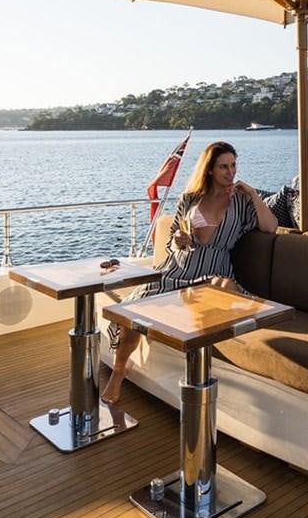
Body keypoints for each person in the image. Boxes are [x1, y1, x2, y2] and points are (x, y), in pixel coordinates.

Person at [102, 141, 277, 405]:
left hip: (213, 272)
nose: (230, 172)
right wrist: (178, 241)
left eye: (233, 165)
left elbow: (270, 226)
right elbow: (173, 236)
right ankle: (118, 373)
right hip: (176, 269)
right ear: (209, 170)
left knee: (224, 286)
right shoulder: (190, 198)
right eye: (223, 167)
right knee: (133, 311)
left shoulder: (241, 202)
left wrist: (252, 193)